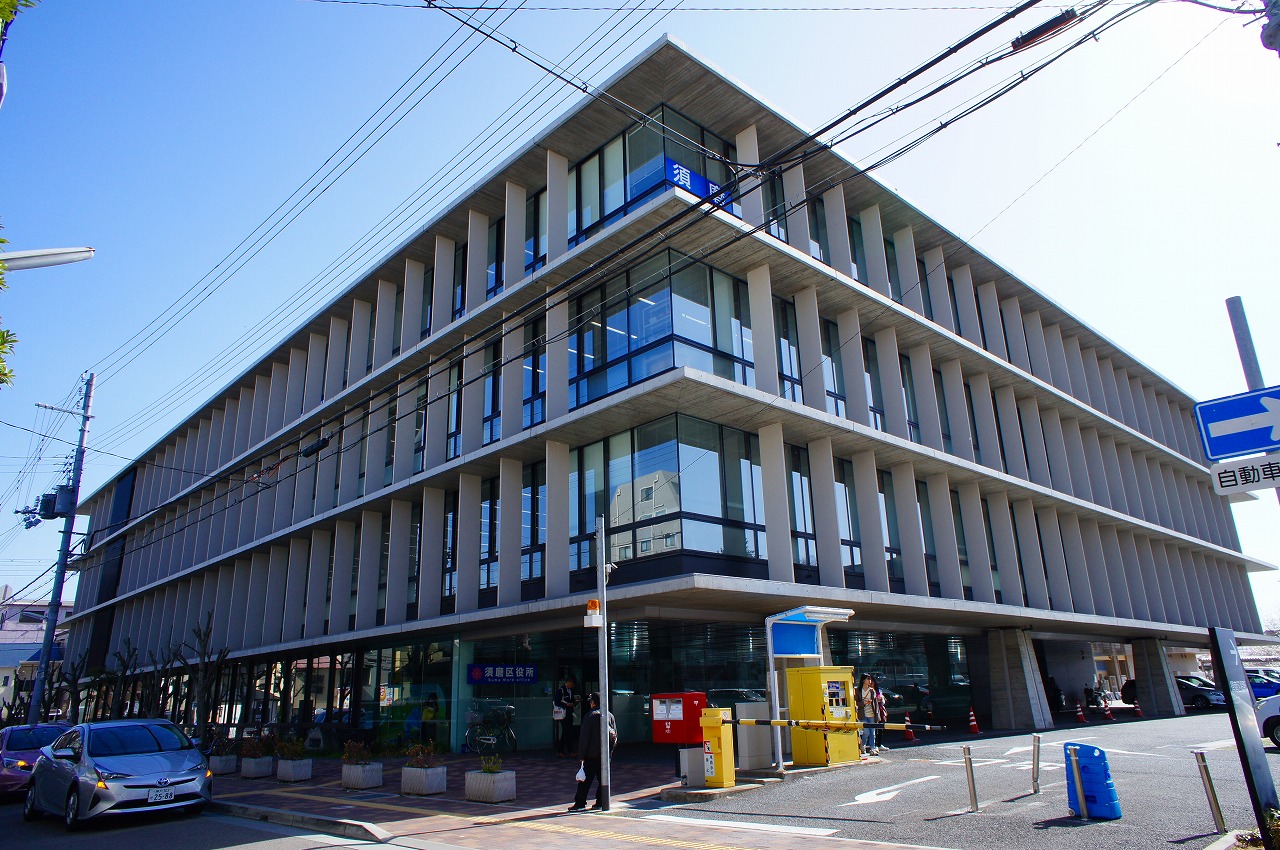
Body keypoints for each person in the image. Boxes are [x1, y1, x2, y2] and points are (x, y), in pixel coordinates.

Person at [568, 691, 616, 812]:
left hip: (591, 755)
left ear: (593, 702)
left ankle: (580, 803)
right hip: (604, 756)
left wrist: (581, 755)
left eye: (590, 701)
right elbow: (615, 735)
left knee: (584, 781)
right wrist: (609, 752)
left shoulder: (590, 716)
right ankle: (601, 801)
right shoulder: (609, 715)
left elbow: (584, 738)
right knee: (603, 780)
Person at [858, 673, 884, 756]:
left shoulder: (872, 690)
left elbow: (875, 704)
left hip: (872, 714)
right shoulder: (858, 691)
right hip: (863, 714)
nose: (869, 681)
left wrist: (877, 715)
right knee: (866, 732)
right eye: (867, 679)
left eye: (870, 679)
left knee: (872, 732)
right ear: (863, 680)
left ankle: (872, 748)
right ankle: (863, 746)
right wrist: (864, 703)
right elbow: (856, 702)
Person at [554, 675, 578, 757]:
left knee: (567, 732)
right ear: (567, 682)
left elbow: (572, 700)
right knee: (566, 731)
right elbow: (556, 702)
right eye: (570, 684)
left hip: (569, 713)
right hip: (563, 714)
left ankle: (562, 750)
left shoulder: (571, 690)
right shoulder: (561, 690)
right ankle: (568, 750)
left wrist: (574, 702)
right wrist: (566, 704)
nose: (571, 686)